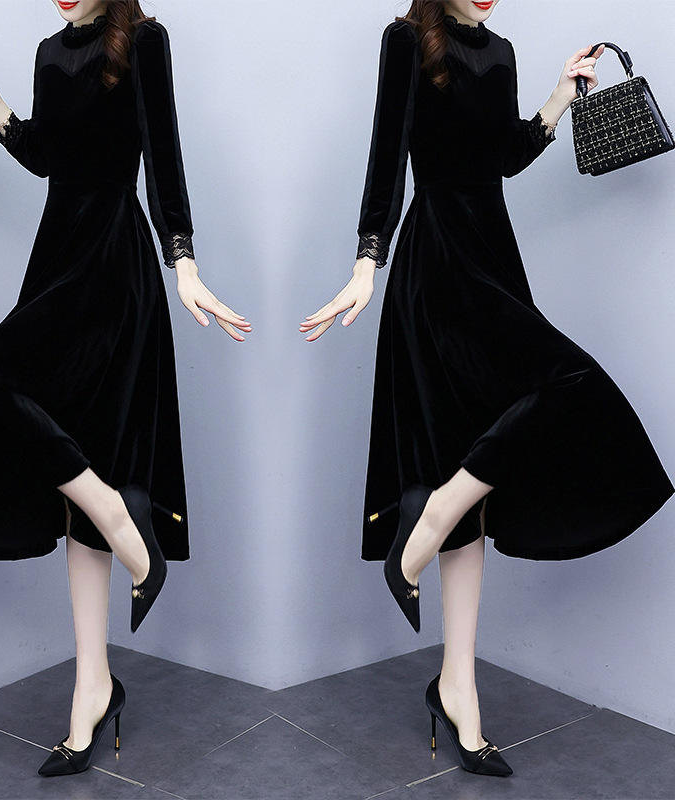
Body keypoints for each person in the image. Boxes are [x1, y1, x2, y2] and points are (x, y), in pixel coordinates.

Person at [0, 0, 250, 777]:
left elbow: (163, 155)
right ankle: (116, 530)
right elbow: (47, 157)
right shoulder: (51, 50)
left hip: (113, 265)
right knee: (29, 424)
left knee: (84, 452)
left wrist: (183, 263)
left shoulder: (145, 40)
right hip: (56, 259)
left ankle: (90, 688)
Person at [301, 0, 672, 776]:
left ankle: (433, 524)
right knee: (467, 455)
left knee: (518, 426)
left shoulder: (499, 51)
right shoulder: (405, 40)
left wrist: (559, 98)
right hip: (436, 266)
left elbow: (502, 157)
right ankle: (460, 689)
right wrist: (367, 263)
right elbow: (387, 154)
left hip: (494, 259)